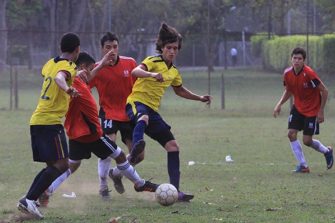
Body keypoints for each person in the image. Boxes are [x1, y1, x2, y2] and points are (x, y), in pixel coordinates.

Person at [39, 52, 158, 208]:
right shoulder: (73, 83)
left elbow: (85, 77)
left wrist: (100, 65)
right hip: (91, 134)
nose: (91, 73)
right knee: (120, 155)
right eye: (89, 68)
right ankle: (140, 184)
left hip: (76, 133)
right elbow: (61, 78)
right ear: (82, 67)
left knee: (72, 165)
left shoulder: (77, 79)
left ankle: (47, 190)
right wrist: (68, 88)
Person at [126, 23, 212, 202]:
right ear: (162, 48)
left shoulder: (173, 71)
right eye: (168, 48)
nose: (172, 51)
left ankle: (176, 191)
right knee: (144, 116)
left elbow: (180, 90)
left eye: (175, 48)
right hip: (136, 103)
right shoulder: (152, 61)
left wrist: (200, 98)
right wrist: (151, 75)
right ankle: (136, 147)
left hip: (152, 111)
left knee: (173, 146)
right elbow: (135, 71)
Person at [17, 33, 84, 219]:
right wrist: (68, 88)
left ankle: (31, 199)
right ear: (77, 49)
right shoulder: (68, 65)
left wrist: (74, 76)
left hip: (37, 120)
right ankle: (29, 199)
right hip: (50, 122)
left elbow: (53, 73)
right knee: (62, 164)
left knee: (51, 165)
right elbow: (60, 78)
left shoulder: (49, 63)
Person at [88, 32, 138, 195]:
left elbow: (139, 86)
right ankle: (103, 186)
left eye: (115, 47)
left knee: (138, 154)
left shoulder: (130, 63)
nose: (112, 50)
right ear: (102, 49)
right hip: (108, 112)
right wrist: (100, 66)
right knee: (108, 147)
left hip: (128, 114)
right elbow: (85, 84)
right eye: (108, 47)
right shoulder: (96, 68)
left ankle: (115, 174)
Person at [273, 47, 333, 173]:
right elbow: (288, 90)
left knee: (307, 141)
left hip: (312, 110)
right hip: (298, 108)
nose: (296, 61)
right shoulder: (287, 74)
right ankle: (303, 165)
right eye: (294, 58)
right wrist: (279, 104)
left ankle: (327, 151)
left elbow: (324, 90)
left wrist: (321, 111)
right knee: (291, 134)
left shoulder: (309, 73)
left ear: (304, 61)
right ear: (291, 59)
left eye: (299, 59)